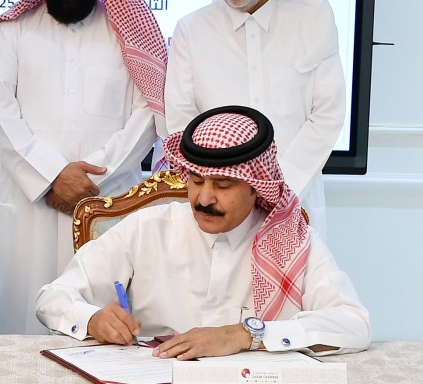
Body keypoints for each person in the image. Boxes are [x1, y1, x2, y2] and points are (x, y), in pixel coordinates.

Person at [0, 0, 167, 334]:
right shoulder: (10, 32)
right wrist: (54, 175)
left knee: (109, 319)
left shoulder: (129, 34)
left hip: (109, 204)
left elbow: (148, 114)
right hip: (32, 201)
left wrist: (90, 182)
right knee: (23, 315)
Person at [35, 106, 369, 357]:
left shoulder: (292, 241)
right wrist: (92, 319)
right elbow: (52, 298)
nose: (204, 198)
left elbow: (355, 324)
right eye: (195, 181)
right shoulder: (146, 229)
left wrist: (244, 336)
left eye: (223, 185)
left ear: (257, 188)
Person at [165, 0, 345, 231]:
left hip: (295, 195)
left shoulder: (311, 23)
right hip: (217, 203)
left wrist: (279, 185)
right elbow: (181, 119)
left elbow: (327, 113)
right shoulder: (191, 31)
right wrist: (228, 186)